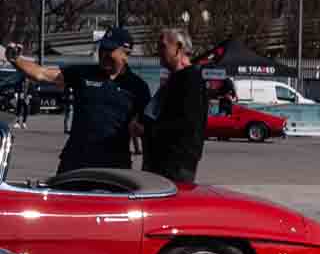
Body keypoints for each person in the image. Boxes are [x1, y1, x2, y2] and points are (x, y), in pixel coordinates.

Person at [5, 27, 149, 173]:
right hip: (75, 163)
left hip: (114, 167)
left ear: (126, 53)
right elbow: (41, 74)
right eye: (102, 48)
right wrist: (15, 59)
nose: (104, 53)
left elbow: (146, 129)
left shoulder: (137, 87)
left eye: (110, 50)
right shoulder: (83, 73)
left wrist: (138, 128)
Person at [141, 28, 209, 182]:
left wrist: (148, 129)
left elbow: (186, 125)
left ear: (178, 48)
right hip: (161, 163)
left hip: (174, 166)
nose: (158, 51)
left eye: (163, 46)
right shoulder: (175, 79)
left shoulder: (191, 81)